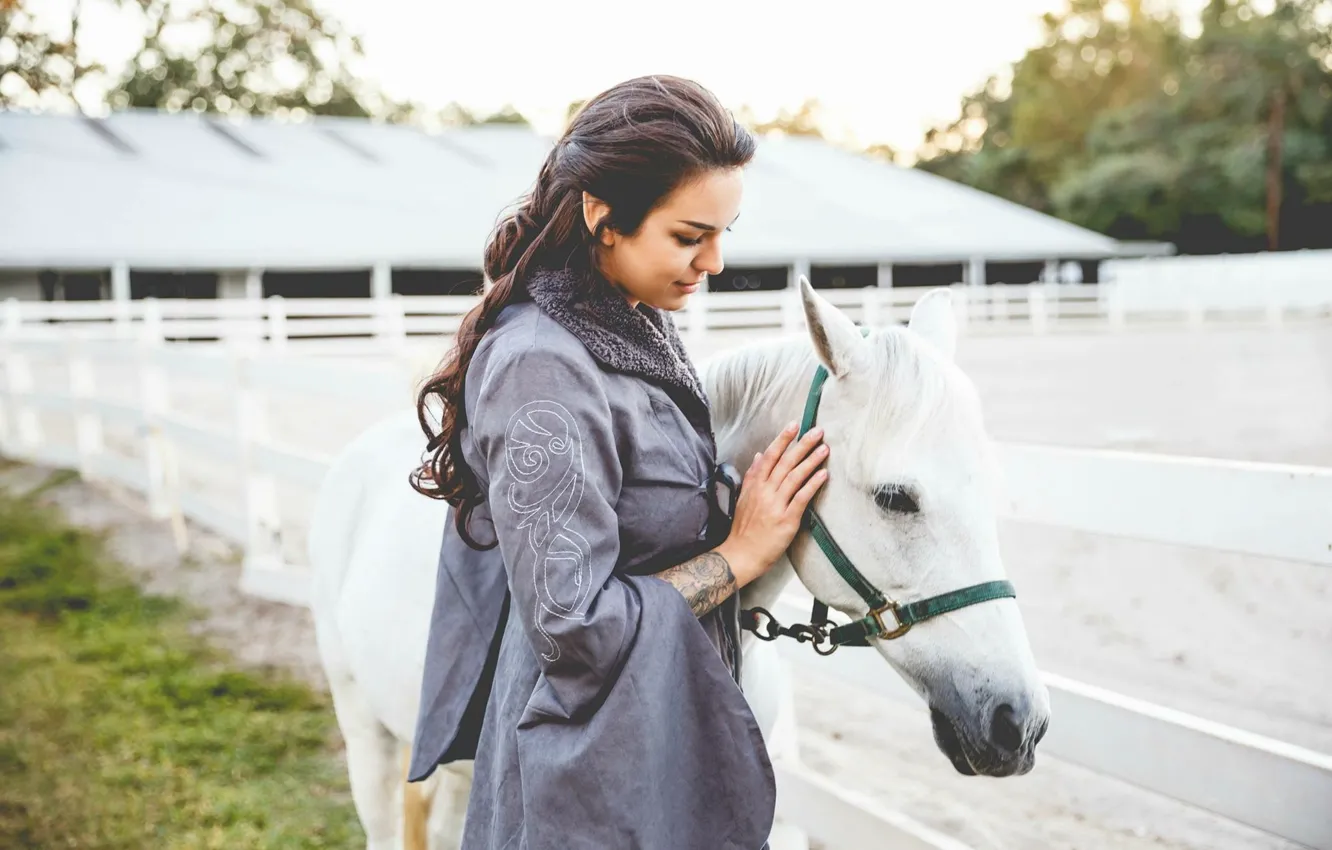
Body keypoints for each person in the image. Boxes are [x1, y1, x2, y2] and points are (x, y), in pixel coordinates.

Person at [407, 74, 829, 849]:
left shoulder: (632, 323)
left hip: (652, 736)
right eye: (690, 236)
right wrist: (740, 555)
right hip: (584, 783)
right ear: (602, 215)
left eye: (723, 232)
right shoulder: (541, 364)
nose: (715, 261)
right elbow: (574, 626)